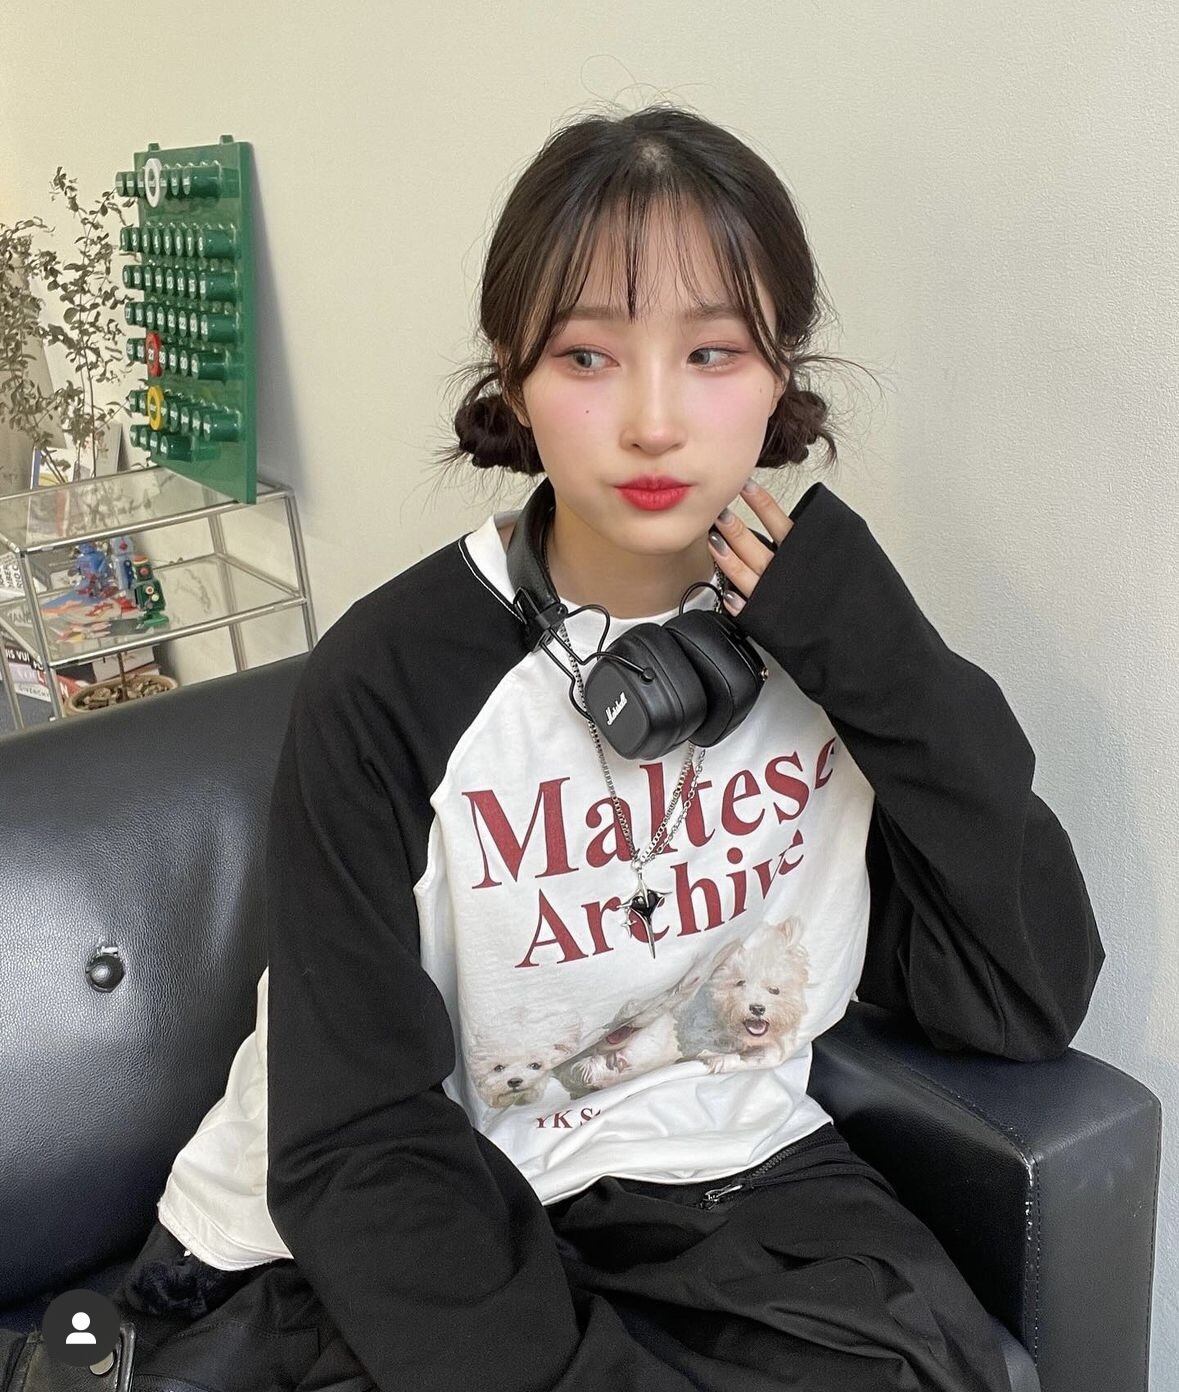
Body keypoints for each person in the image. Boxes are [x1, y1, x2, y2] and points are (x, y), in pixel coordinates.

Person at [112, 103, 1105, 1392]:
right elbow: (355, 1138)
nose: (653, 421)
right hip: (412, 1215)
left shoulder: (826, 639)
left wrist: (878, 650)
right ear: (514, 380)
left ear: (781, 374)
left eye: (713, 354)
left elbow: (1027, 995)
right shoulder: (388, 678)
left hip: (724, 1187)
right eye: (587, 356)